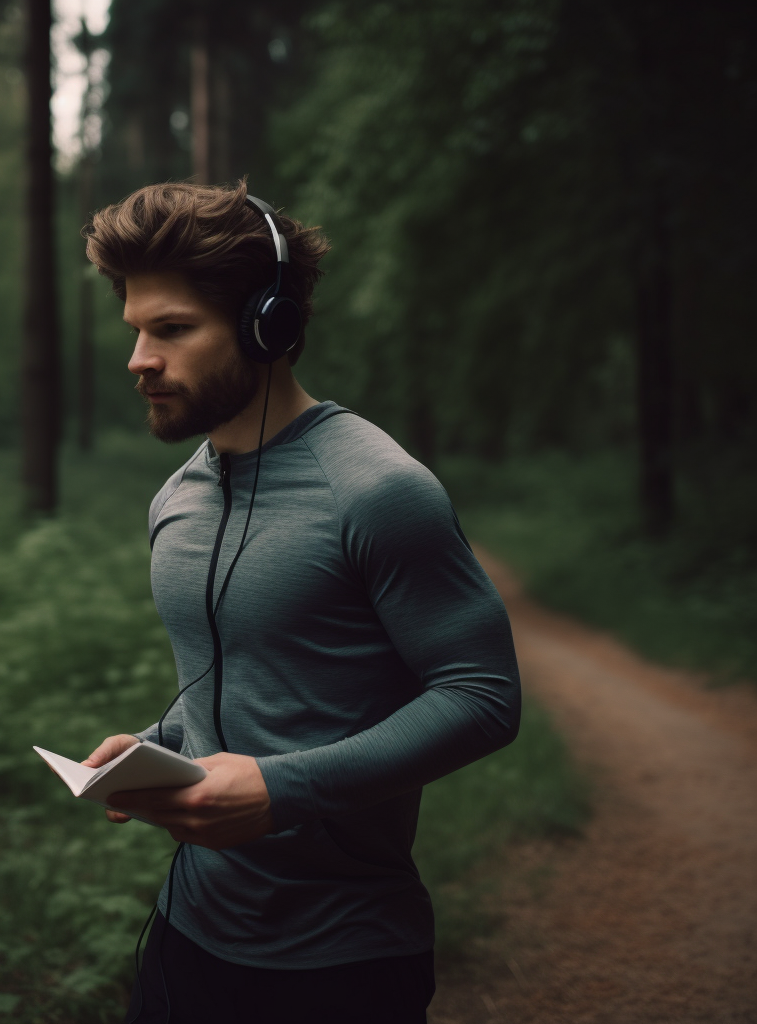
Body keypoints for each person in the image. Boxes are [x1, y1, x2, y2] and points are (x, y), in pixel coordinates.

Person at [80, 180, 521, 1024]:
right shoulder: (177, 498)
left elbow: (484, 696)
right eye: (136, 330)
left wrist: (282, 790)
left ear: (267, 327)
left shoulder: (378, 489)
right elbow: (252, 681)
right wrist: (152, 748)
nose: (139, 358)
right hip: (186, 937)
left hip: (343, 957)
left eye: (171, 330)